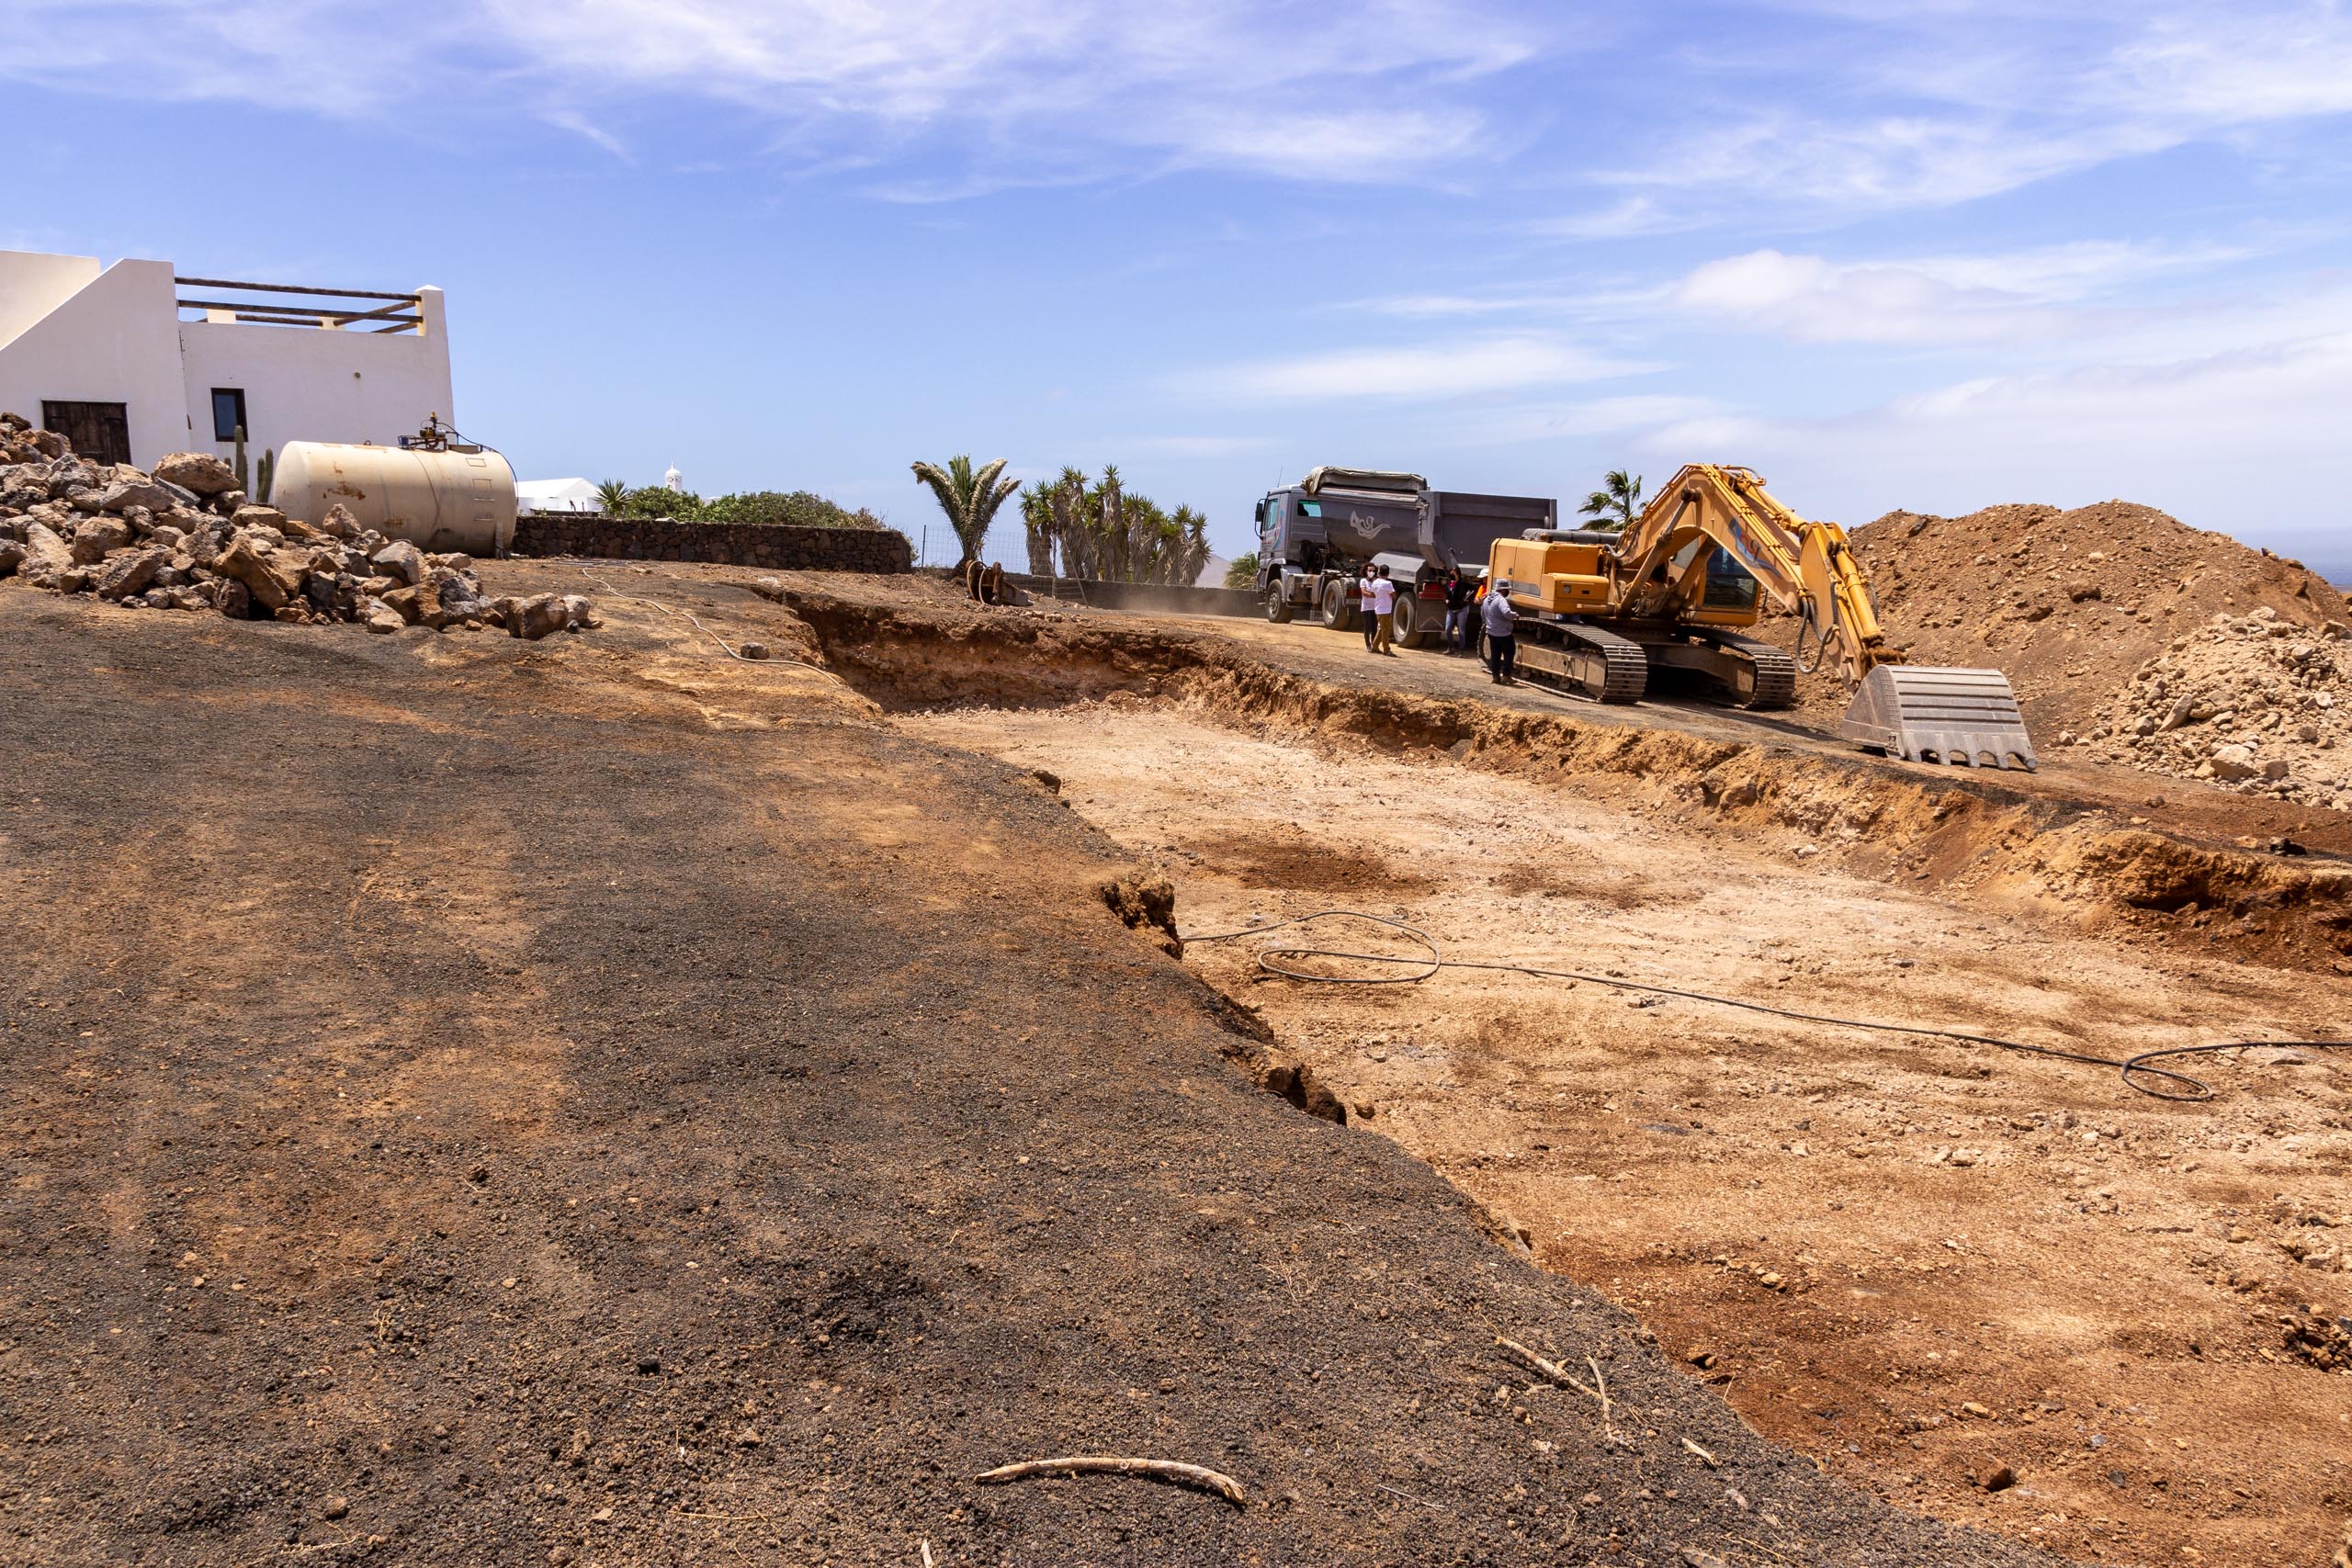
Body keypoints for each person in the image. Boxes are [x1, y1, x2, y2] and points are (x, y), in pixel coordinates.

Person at [1481, 575, 1519, 683]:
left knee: (1495, 654)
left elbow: (1483, 615)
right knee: (1509, 652)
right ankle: (1506, 675)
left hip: (1491, 632)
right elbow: (1506, 613)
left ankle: (1495, 677)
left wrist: (1489, 625)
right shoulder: (1501, 600)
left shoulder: (1487, 599)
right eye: (1507, 590)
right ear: (1503, 590)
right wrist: (1515, 615)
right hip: (1504, 633)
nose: (1508, 592)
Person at [1442, 570, 1475, 655]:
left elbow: (1472, 589)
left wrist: (1468, 599)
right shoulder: (1449, 584)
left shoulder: (1463, 583)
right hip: (1451, 609)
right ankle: (1450, 648)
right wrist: (1446, 600)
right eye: (1450, 574)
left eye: (1453, 574)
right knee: (1448, 629)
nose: (1451, 576)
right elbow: (1446, 594)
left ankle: (1461, 651)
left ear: (1458, 575)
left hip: (1462, 608)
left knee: (1461, 630)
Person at [1368, 565, 1398, 655]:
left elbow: (1372, 594)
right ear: (1388, 574)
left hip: (1378, 608)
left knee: (1382, 629)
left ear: (1378, 573)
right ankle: (1386, 649)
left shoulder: (1375, 582)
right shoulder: (1388, 584)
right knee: (1385, 630)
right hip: (1386, 610)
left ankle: (1374, 647)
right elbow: (1394, 596)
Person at [1358, 563, 1380, 650]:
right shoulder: (1363, 581)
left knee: (1374, 627)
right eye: (1370, 570)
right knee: (1367, 627)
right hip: (1366, 607)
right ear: (1366, 571)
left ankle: (1374, 645)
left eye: (1373, 571)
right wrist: (1373, 595)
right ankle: (1368, 645)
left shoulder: (1376, 582)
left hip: (1375, 608)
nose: (1372, 572)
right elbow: (1364, 592)